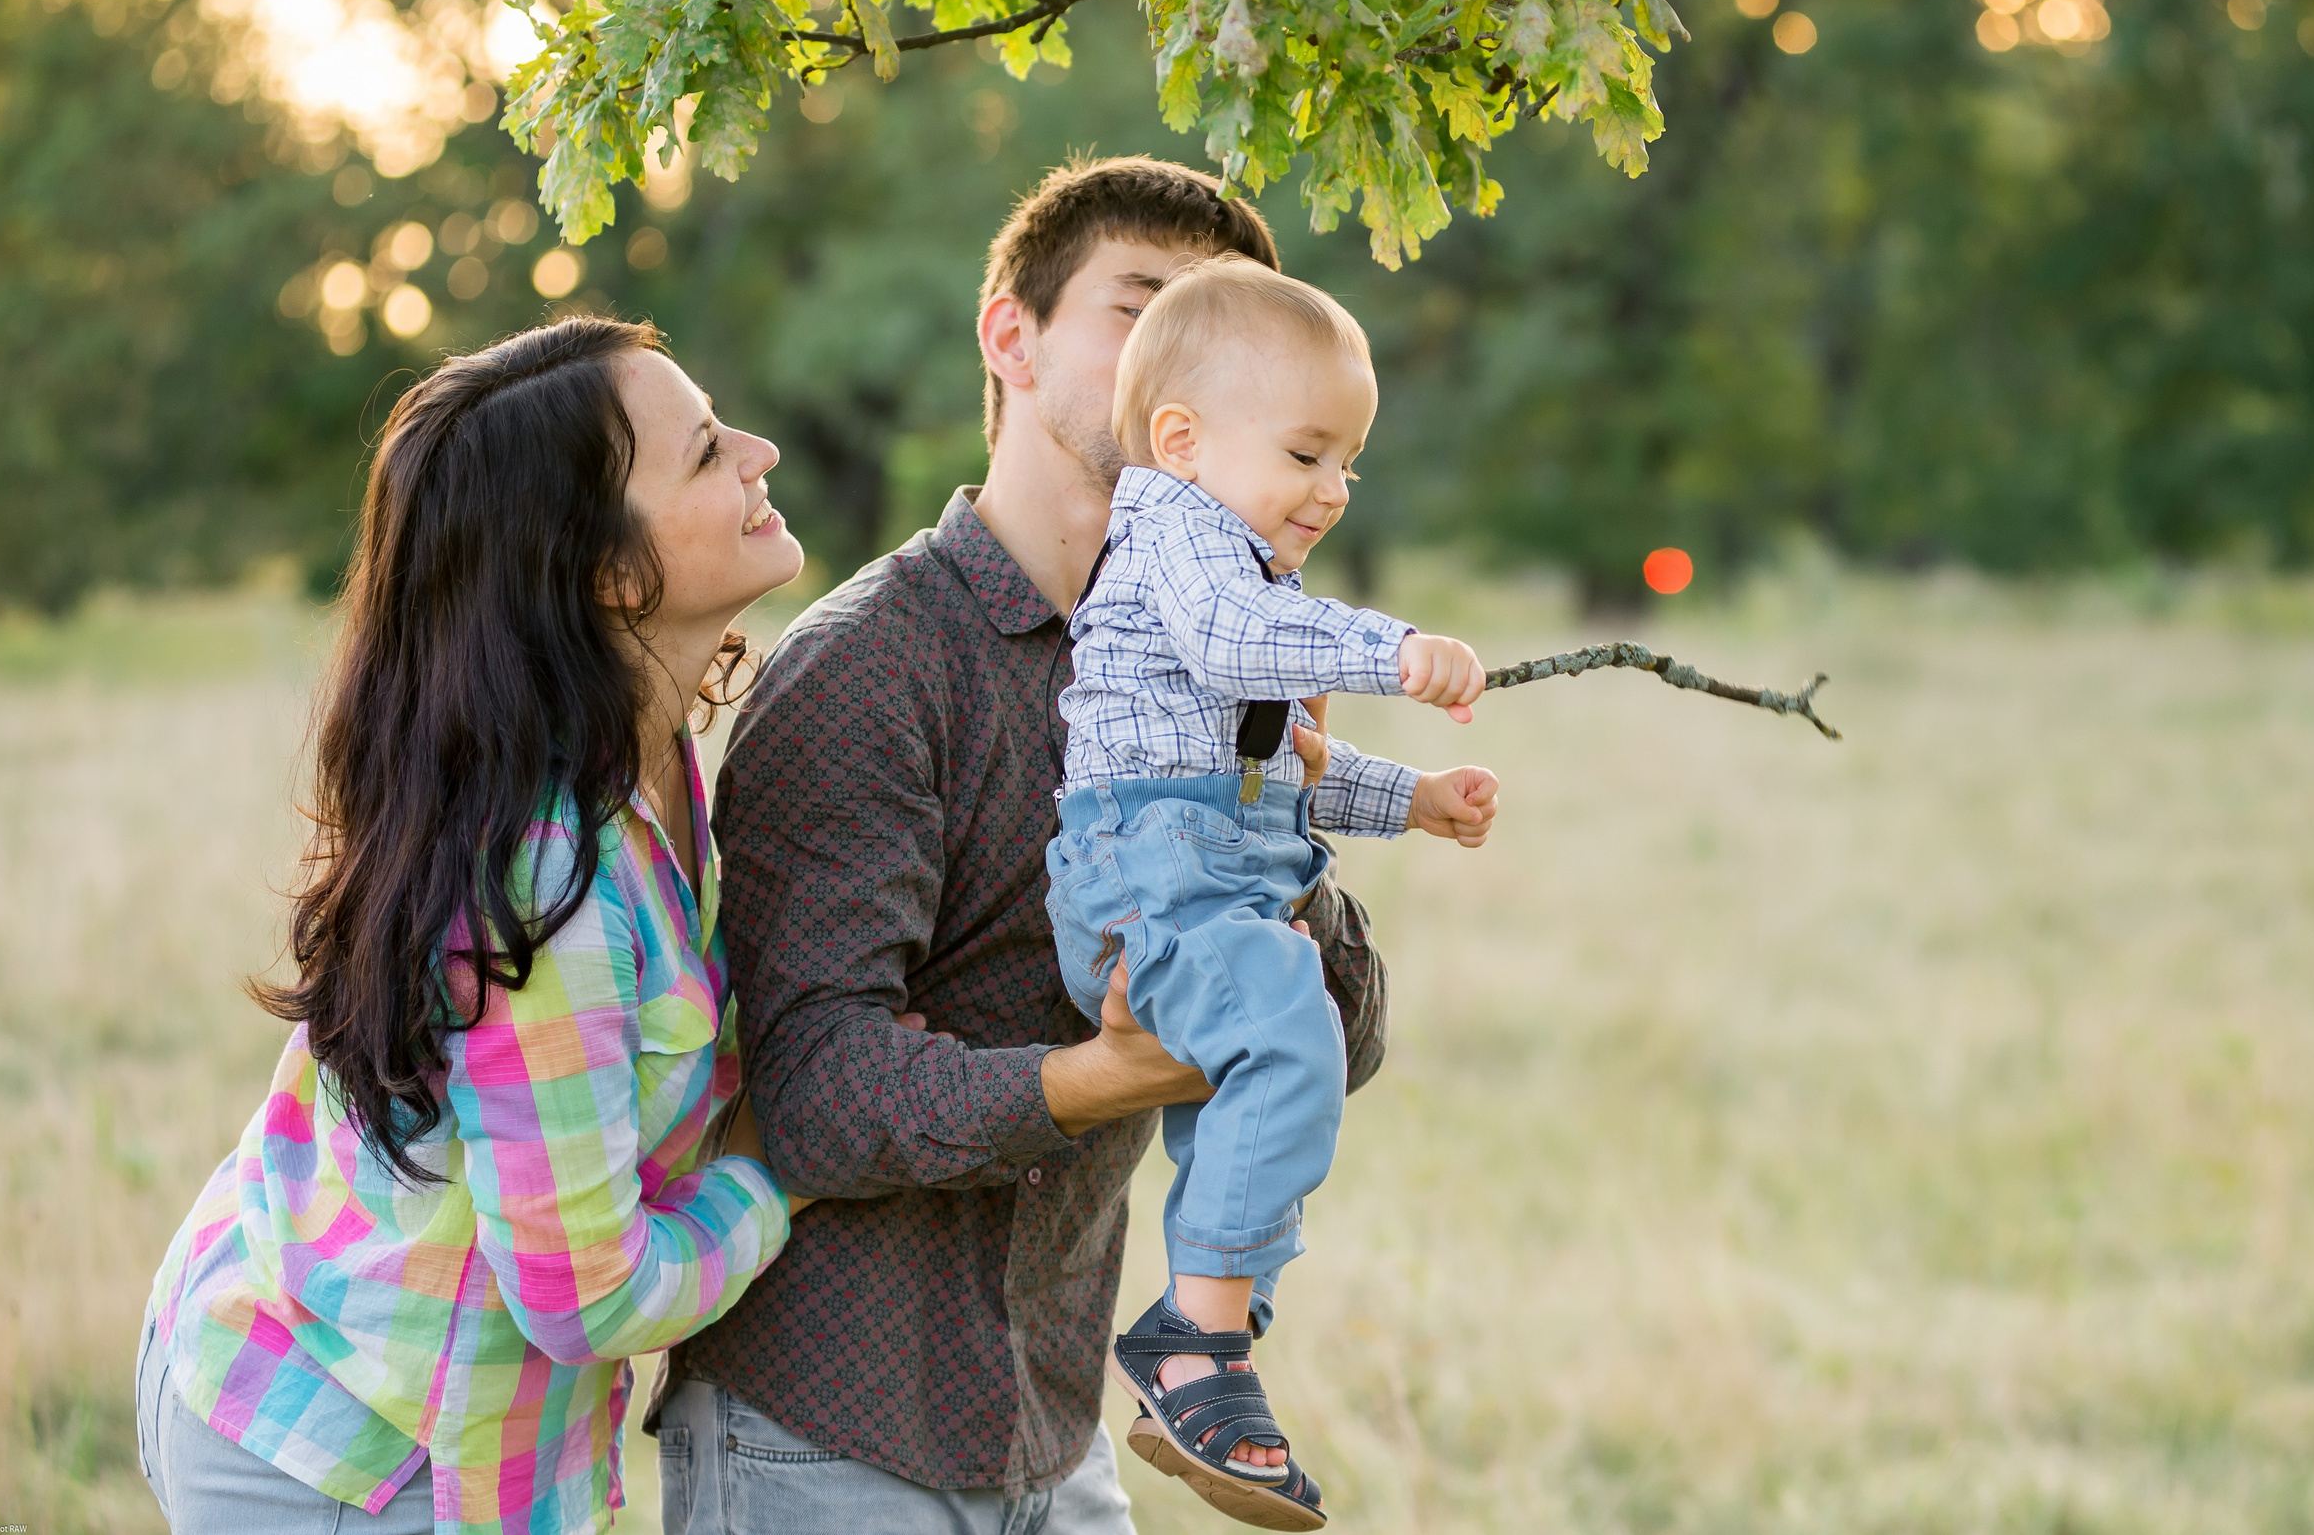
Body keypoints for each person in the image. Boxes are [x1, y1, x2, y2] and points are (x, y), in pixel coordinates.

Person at [653, 158, 1392, 1535]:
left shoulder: (1229, 672)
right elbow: (810, 1090)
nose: (1177, 356)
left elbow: (1338, 1045)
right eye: (1139, 306)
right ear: (1011, 336)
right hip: (825, 1434)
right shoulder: (868, 670)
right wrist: (1092, 1078)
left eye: (1213, 327)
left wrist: (1281, 800)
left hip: (1055, 1434)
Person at [137, 318, 816, 1533]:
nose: (759, 451)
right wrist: (776, 1172)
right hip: (350, 1455)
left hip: (321, 1337)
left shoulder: (639, 752)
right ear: (605, 570)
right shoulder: (544, 879)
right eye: (708, 450)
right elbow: (582, 1295)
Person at [1047, 258, 1498, 1530]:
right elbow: (1237, 646)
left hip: (1213, 866)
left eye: (1348, 461)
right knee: (1290, 1022)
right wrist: (1389, 649)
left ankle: (1206, 1357)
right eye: (1307, 452)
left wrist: (1411, 797)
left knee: (1273, 1077)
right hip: (1149, 873)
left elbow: (1276, 769)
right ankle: (1194, 1343)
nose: (1334, 488)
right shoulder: (1176, 544)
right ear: (1181, 441)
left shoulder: (1245, 575)